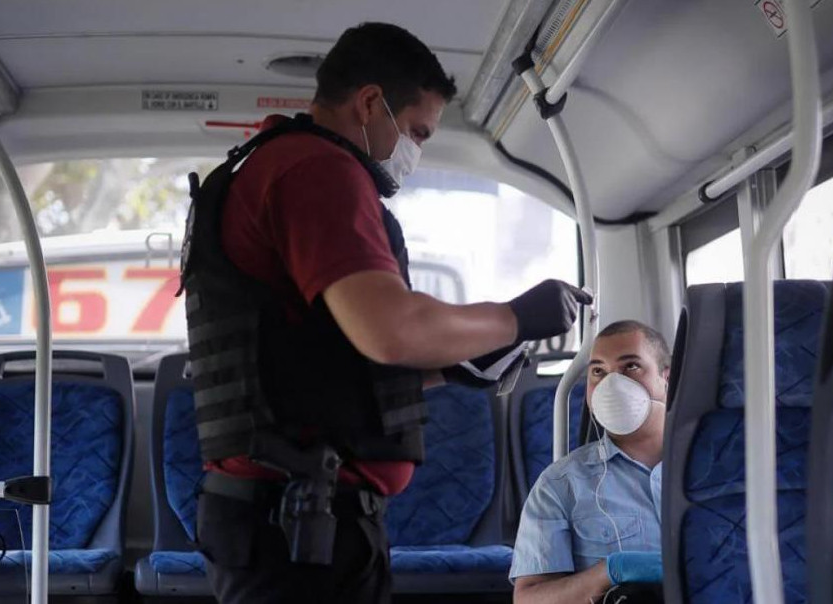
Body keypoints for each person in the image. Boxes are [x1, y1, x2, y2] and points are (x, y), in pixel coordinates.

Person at [181, 22, 591, 604]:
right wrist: (517, 316)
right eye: (418, 132)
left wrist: (451, 367)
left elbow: (312, 362)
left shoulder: (269, 166)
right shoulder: (318, 171)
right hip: (298, 526)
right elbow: (392, 330)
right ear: (371, 102)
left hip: (290, 517)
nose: (416, 152)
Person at [511, 320, 670, 604]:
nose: (612, 384)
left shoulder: (720, 468)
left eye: (630, 366)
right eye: (598, 371)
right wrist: (607, 573)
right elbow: (528, 599)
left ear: (666, 377)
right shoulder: (560, 484)